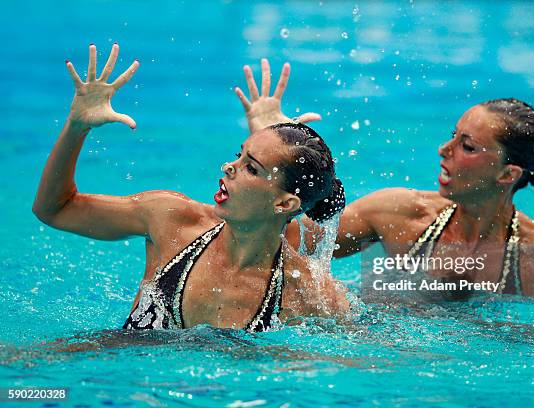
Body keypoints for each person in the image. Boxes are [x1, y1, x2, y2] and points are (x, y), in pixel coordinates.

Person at [32, 44, 350, 332]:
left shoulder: (306, 292)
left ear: (283, 204)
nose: (229, 167)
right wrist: (77, 126)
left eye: (250, 167)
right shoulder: (173, 221)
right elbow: (55, 209)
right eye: (238, 155)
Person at [238, 75, 534, 299]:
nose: (445, 151)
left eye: (468, 147)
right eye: (452, 137)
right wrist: (277, 157)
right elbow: (286, 246)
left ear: (508, 175)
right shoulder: (398, 214)